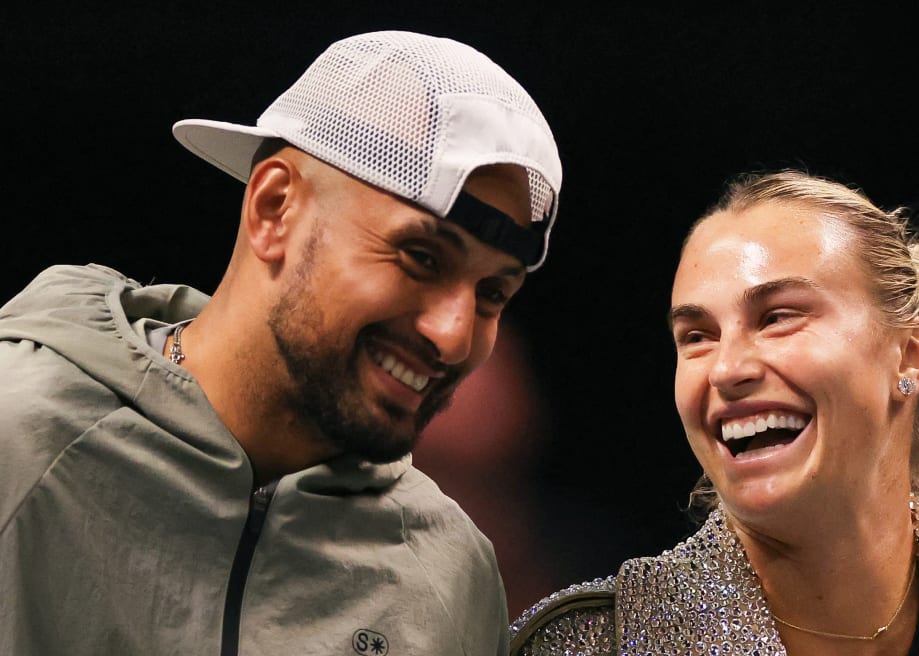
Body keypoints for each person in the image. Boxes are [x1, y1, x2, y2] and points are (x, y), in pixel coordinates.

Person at [0, 31, 561, 655]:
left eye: (492, 295)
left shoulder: (453, 573)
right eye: (420, 257)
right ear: (275, 209)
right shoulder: (18, 443)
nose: (454, 336)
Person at [510, 171, 919, 655]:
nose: (725, 369)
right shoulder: (590, 645)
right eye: (696, 336)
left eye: (777, 317)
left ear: (910, 354)